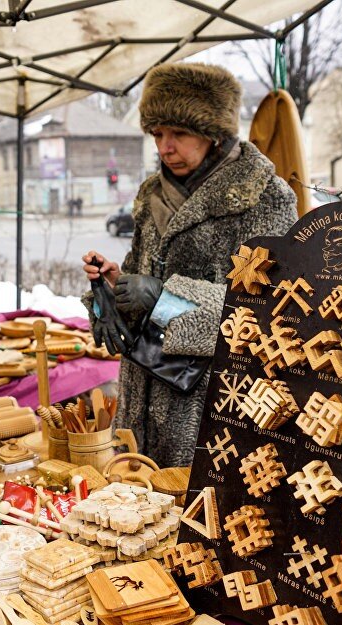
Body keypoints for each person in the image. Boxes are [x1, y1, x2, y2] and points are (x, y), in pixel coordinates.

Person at [81, 63, 297, 468]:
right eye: (158, 134)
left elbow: (271, 311)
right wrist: (114, 289)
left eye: (178, 133)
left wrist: (163, 299)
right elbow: (138, 270)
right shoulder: (151, 194)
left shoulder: (265, 198)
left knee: (193, 513)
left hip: (210, 407)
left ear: (214, 134)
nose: (165, 148)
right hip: (140, 396)